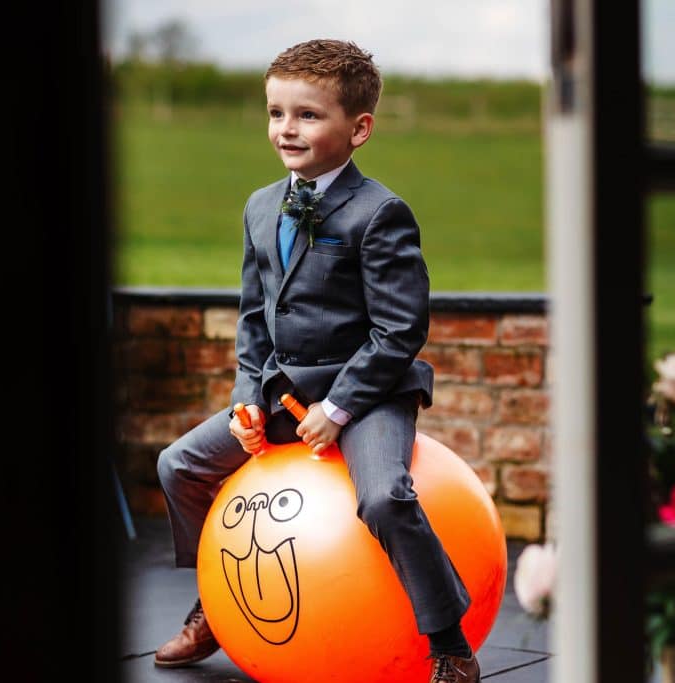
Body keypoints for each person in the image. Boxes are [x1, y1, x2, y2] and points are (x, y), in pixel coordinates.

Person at [154, 39, 480, 682]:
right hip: (280, 388)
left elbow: (398, 330)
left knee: (385, 496)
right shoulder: (258, 205)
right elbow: (256, 317)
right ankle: (217, 607)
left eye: (307, 115)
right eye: (276, 113)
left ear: (359, 129)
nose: (286, 129)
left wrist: (338, 408)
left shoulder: (381, 213)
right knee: (177, 465)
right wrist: (249, 396)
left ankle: (449, 643)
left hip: (369, 392)